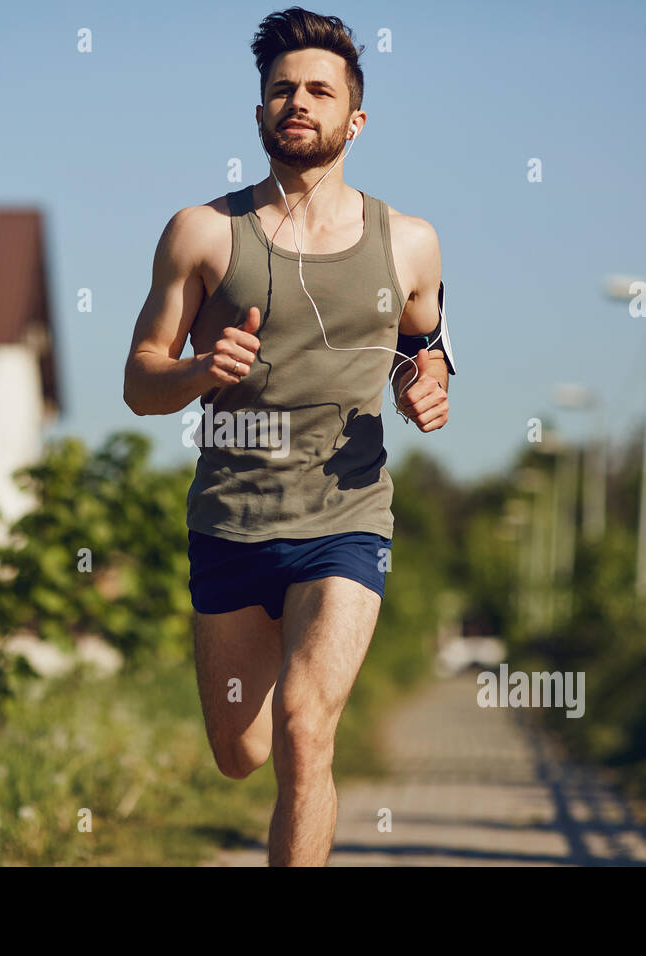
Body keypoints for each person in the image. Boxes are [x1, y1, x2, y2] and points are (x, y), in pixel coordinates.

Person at [122, 6, 450, 866]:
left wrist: (430, 384)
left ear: (356, 118)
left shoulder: (409, 242)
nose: (296, 102)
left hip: (345, 520)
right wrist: (198, 372)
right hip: (231, 520)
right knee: (243, 753)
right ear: (259, 112)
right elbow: (138, 381)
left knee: (307, 731)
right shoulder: (201, 233)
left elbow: (426, 339)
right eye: (280, 90)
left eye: (317, 89)